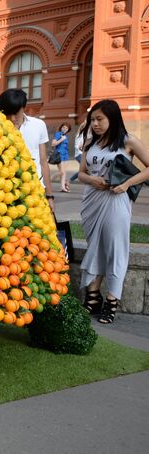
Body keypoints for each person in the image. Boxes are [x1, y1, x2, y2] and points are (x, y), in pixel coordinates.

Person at [77, 99, 149, 324]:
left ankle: (111, 301)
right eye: (92, 120)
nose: (95, 124)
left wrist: (127, 184)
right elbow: (81, 174)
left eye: (100, 119)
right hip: (92, 201)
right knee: (95, 247)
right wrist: (92, 179)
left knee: (116, 250)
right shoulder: (90, 143)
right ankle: (92, 298)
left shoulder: (128, 141)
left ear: (113, 118)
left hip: (116, 200)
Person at [0, 89, 55, 209]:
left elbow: (43, 162)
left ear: (24, 107)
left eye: (15, 113)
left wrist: (49, 195)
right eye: (8, 114)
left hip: (35, 188)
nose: (12, 118)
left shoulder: (38, 125)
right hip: (6, 191)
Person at [51, 123, 70, 192]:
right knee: (61, 172)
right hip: (59, 155)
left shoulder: (66, 136)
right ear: (61, 128)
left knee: (64, 172)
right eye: (63, 127)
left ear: (68, 130)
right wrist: (61, 139)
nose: (64, 129)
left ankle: (63, 188)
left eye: (66, 128)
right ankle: (49, 180)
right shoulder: (58, 134)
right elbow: (53, 144)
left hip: (66, 156)